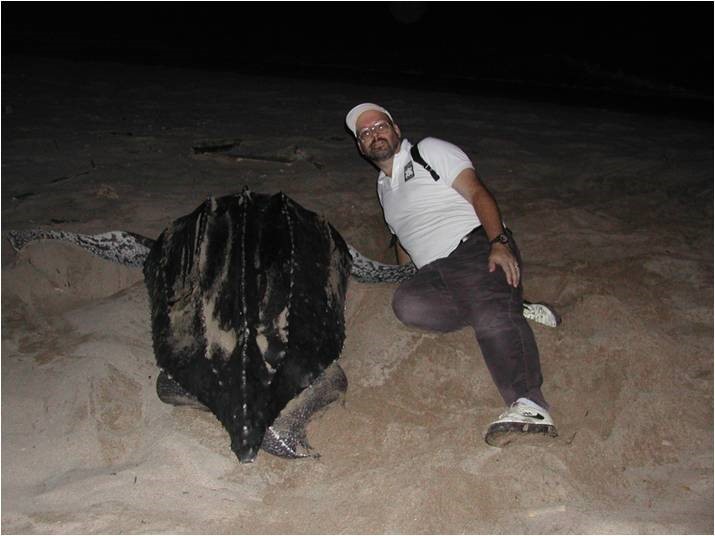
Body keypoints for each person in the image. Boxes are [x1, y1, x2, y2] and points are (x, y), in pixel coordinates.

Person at [345, 103, 558, 446]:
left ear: (396, 129)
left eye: (380, 126)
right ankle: (511, 303)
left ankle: (530, 404)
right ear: (359, 146)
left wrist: (498, 241)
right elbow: (404, 237)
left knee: (488, 313)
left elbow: (477, 192)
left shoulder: (430, 151)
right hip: (436, 271)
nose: (374, 135)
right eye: (365, 133)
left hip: (474, 246)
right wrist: (406, 274)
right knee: (408, 305)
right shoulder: (383, 188)